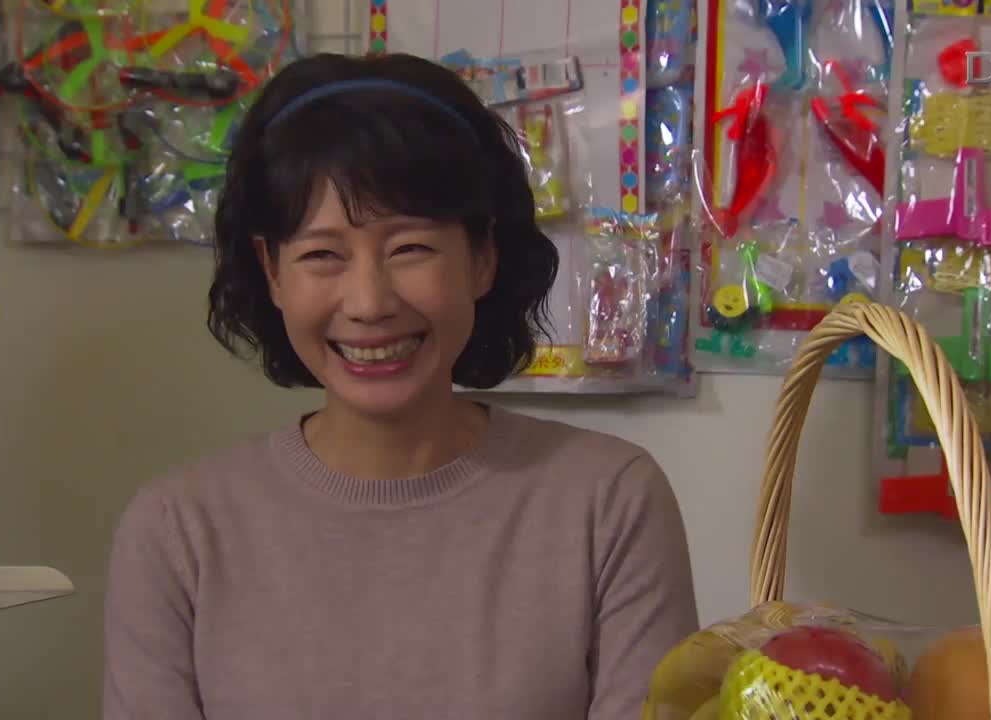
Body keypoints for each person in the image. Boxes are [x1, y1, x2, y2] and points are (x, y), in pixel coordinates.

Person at [102, 51, 699, 720]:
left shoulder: (609, 503)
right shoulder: (176, 533)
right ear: (271, 271)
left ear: (482, 257)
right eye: (321, 255)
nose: (369, 303)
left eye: (409, 248)